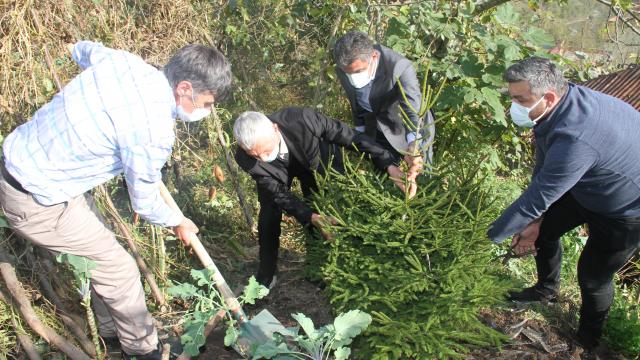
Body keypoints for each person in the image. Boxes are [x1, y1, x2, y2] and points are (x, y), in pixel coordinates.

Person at [0, 41, 232, 359]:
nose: (207, 111)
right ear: (185, 88)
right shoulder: (154, 130)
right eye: (206, 103)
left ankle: (111, 332)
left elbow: (81, 50)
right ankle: (144, 349)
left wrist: (68, 49)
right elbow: (144, 202)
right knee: (120, 268)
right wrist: (178, 221)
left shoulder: (126, 63)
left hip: (28, 167)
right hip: (38, 199)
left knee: (101, 253)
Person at [487, 57, 640, 349]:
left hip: (625, 210)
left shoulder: (577, 136)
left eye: (520, 99)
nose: (514, 106)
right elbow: (544, 168)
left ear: (549, 96)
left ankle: (588, 342)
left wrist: (485, 239)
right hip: (586, 184)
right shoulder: (558, 107)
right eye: (512, 97)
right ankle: (546, 290)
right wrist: (534, 222)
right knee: (543, 233)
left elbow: (539, 196)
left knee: (593, 277)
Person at [233, 108, 408, 288]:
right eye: (255, 154)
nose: (262, 157)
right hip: (275, 177)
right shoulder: (245, 158)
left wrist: (387, 163)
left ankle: (321, 265)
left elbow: (348, 136)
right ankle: (266, 276)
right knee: (269, 215)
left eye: (266, 150)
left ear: (275, 129)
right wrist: (310, 216)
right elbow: (278, 193)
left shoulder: (303, 120)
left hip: (317, 160)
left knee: (322, 203)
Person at [333, 30, 436, 196]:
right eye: (348, 73)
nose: (352, 78)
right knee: (386, 177)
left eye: (358, 72)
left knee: (422, 178)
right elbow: (356, 104)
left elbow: (413, 112)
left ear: (373, 57)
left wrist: (414, 145)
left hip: (409, 128)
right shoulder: (344, 66)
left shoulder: (399, 67)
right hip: (376, 128)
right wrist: (359, 138)